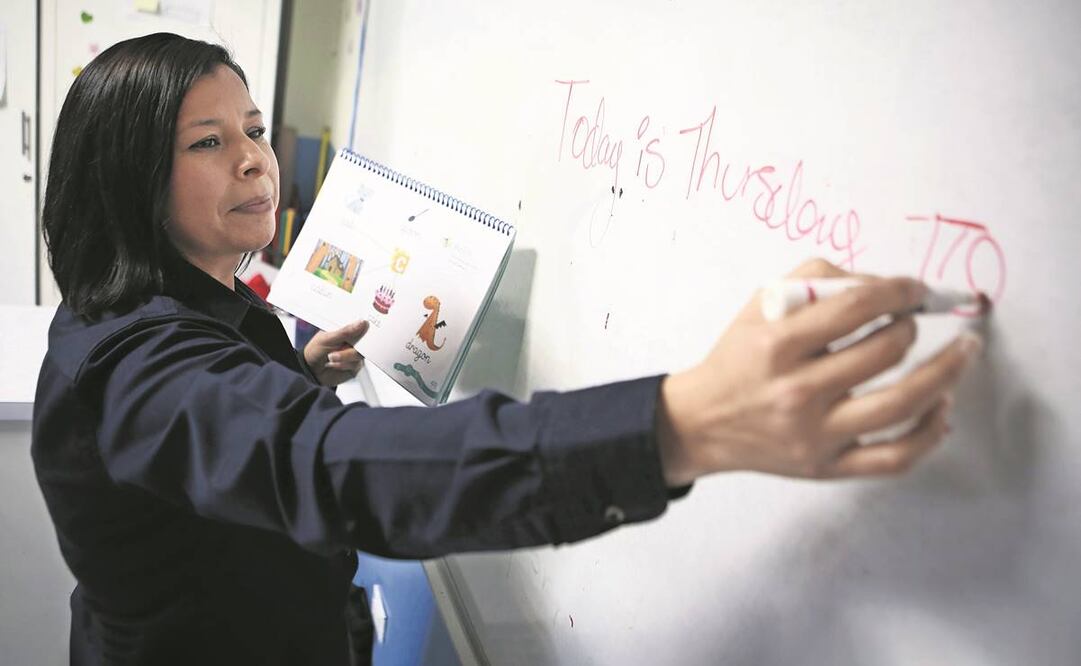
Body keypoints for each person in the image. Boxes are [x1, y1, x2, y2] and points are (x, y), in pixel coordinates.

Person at [32, 32, 981, 666]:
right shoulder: (129, 367)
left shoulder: (193, 298)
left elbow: (224, 426)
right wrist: (679, 424)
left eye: (251, 128)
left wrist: (293, 369)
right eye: (206, 142)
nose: (253, 157)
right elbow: (319, 464)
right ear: (128, 178)